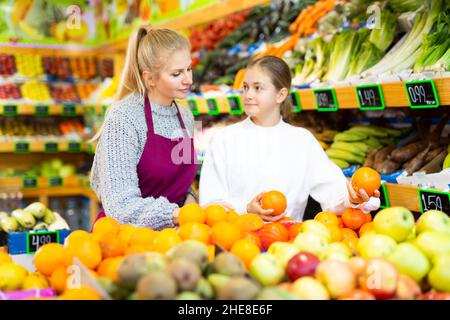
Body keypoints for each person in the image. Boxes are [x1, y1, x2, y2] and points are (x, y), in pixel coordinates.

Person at [199, 56, 380, 221]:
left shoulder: (302, 141)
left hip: (288, 241)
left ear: (281, 95)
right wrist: (246, 209)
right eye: (245, 87)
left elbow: (331, 189)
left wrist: (352, 197)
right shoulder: (224, 139)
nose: (248, 95)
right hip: (235, 242)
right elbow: (210, 202)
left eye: (257, 88)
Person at [90, 26, 198, 229]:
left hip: (174, 235)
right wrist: (177, 215)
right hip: (126, 238)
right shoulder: (124, 118)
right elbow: (120, 206)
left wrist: (192, 208)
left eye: (189, 69)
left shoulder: (186, 117)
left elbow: (182, 186)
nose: (188, 80)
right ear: (150, 78)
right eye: (176, 74)